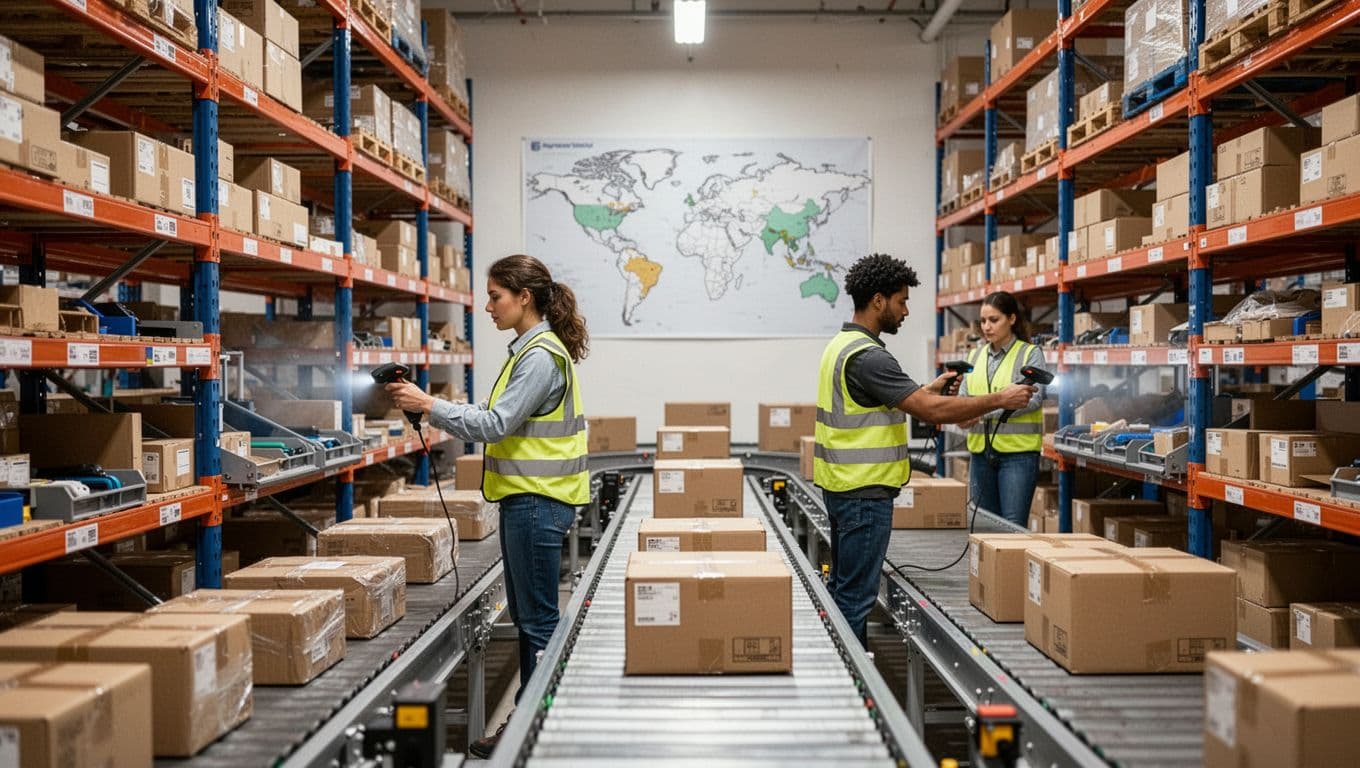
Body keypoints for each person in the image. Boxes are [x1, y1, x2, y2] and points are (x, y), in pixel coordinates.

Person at [384, 254, 590, 759]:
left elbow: (496, 425)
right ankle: (529, 719)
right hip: (529, 503)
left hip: (538, 505)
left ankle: (537, 728)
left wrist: (429, 406)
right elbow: (493, 416)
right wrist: (430, 405)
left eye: (496, 296)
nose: (488, 305)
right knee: (529, 617)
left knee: (537, 621)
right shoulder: (528, 351)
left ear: (525, 297)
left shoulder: (540, 355)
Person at [814, 254, 1035, 647]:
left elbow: (884, 401)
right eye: (901, 301)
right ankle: (854, 685)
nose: (906, 310)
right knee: (855, 598)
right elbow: (931, 411)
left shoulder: (843, 345)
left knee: (846, 589)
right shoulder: (870, 356)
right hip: (863, 495)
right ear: (879, 301)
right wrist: (1000, 398)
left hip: (843, 488)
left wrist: (925, 390)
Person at [958, 291, 1047, 527]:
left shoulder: (1030, 354)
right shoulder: (974, 356)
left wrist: (977, 412)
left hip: (1017, 456)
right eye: (983, 321)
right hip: (980, 454)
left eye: (994, 320)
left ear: (1012, 319)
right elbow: (963, 398)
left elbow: (1032, 400)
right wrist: (961, 414)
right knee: (983, 527)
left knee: (1012, 528)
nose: (986, 327)